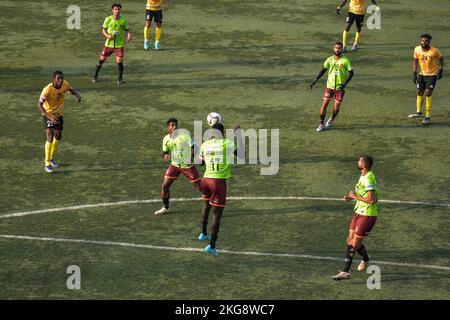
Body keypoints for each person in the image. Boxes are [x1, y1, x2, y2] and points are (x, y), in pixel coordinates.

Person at [198, 123, 243, 257]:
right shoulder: (226, 143)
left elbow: (200, 162)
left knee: (206, 206)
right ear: (222, 133)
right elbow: (241, 154)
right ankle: (212, 246)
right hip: (217, 182)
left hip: (205, 179)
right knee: (217, 214)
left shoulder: (205, 144)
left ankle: (203, 234)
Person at [332, 155, 379, 281]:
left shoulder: (369, 178)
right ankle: (366, 258)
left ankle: (345, 271)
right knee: (350, 241)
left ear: (364, 164)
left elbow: (371, 199)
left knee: (354, 243)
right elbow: (362, 193)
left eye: (359, 160)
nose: (357, 161)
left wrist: (353, 196)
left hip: (367, 215)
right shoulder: (363, 175)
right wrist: (350, 197)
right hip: (358, 212)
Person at [154, 118, 201, 215]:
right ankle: (165, 207)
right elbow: (164, 151)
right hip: (174, 165)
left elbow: (195, 147)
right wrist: (165, 155)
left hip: (187, 165)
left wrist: (192, 157)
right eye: (172, 125)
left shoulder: (185, 136)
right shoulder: (166, 139)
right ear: (168, 127)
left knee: (198, 186)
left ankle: (210, 198)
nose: (174, 127)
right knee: (165, 186)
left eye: (176, 125)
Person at [37, 71, 82, 173]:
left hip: (59, 115)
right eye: (58, 78)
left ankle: (51, 158)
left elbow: (70, 90)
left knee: (58, 136)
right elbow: (39, 105)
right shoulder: (47, 90)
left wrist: (78, 96)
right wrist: (49, 117)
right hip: (48, 114)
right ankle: (47, 163)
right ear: (53, 79)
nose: (60, 80)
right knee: (50, 135)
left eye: (61, 78)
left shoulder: (64, 84)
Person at [310, 42, 354, 132]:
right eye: (336, 48)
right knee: (324, 104)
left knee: (336, 107)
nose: (337, 49)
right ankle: (321, 123)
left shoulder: (346, 60)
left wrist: (345, 83)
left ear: (342, 50)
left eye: (339, 48)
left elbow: (351, 73)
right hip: (329, 86)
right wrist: (316, 79)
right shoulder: (329, 59)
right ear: (333, 49)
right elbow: (323, 69)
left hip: (339, 88)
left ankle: (332, 118)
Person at [92, 3, 132, 85]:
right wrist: (107, 36)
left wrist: (129, 35)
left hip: (119, 45)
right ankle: (95, 76)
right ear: (112, 10)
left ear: (120, 10)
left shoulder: (123, 20)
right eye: (115, 9)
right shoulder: (108, 19)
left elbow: (127, 30)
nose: (117, 11)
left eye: (118, 9)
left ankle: (119, 79)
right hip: (108, 45)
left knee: (119, 62)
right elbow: (103, 30)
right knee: (101, 60)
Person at [408, 34, 444, 125]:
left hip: (432, 75)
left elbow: (441, 58)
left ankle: (427, 117)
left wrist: (440, 70)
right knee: (420, 92)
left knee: (428, 93)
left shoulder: (434, 51)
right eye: (422, 41)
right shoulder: (417, 49)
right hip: (422, 75)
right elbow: (415, 60)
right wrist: (414, 73)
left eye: (426, 41)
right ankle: (418, 112)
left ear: (429, 42)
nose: (424, 42)